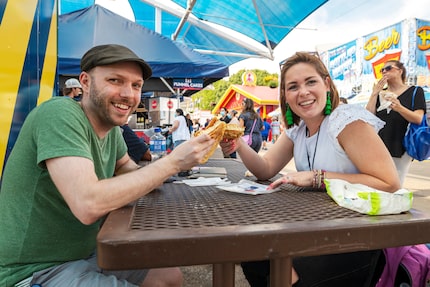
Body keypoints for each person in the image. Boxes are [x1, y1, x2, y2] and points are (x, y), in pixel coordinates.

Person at [0, 44, 215, 287]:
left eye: (136, 85)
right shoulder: (58, 114)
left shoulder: (111, 130)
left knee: (168, 277)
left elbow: (128, 170)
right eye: (115, 80)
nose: (129, 94)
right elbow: (87, 203)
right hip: (33, 270)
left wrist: (164, 172)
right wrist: (172, 163)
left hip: (86, 253)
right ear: (85, 82)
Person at [220, 52, 400, 287]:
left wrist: (318, 178)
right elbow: (265, 169)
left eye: (310, 82)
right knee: (253, 253)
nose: (303, 92)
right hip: (316, 226)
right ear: (285, 95)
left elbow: (388, 182)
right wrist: (238, 144)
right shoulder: (299, 130)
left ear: (326, 84)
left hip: (356, 236)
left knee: (278, 265)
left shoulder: (345, 120)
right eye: (293, 86)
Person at [366, 60, 426, 186]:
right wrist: (374, 93)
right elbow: (369, 116)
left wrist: (399, 107)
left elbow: (418, 118)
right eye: (381, 70)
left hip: (401, 144)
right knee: (377, 183)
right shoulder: (380, 93)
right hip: (379, 144)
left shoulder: (415, 91)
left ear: (400, 71)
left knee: (395, 184)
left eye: (388, 68)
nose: (384, 72)